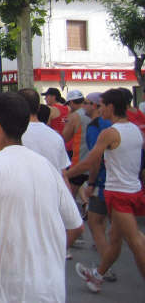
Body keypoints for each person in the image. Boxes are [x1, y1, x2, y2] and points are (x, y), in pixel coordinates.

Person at [0, 92, 83, 302]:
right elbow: (75, 226)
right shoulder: (47, 166)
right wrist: (48, 255)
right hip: (50, 291)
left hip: (5, 292)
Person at [65, 89, 145, 292]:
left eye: (100, 105)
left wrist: (67, 173)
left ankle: (98, 275)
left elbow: (92, 160)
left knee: (135, 242)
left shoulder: (109, 133)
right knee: (116, 239)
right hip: (132, 191)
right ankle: (98, 275)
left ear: (110, 107)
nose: (98, 109)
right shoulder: (135, 129)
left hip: (118, 194)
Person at [82, 92, 118, 282]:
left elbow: (96, 159)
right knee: (109, 226)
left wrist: (92, 183)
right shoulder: (115, 126)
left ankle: (105, 268)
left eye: (87, 103)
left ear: (97, 106)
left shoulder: (95, 127)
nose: (83, 106)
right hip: (116, 183)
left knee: (95, 222)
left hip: (104, 182)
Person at [19, 89, 71, 174]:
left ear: (53, 97)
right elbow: (63, 174)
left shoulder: (52, 109)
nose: (46, 98)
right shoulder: (68, 109)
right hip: (62, 143)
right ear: (38, 107)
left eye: (47, 96)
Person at [62, 89, 92, 210]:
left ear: (72, 102)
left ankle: (71, 216)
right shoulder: (95, 113)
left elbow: (65, 137)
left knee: (70, 192)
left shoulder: (75, 116)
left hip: (80, 159)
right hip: (95, 159)